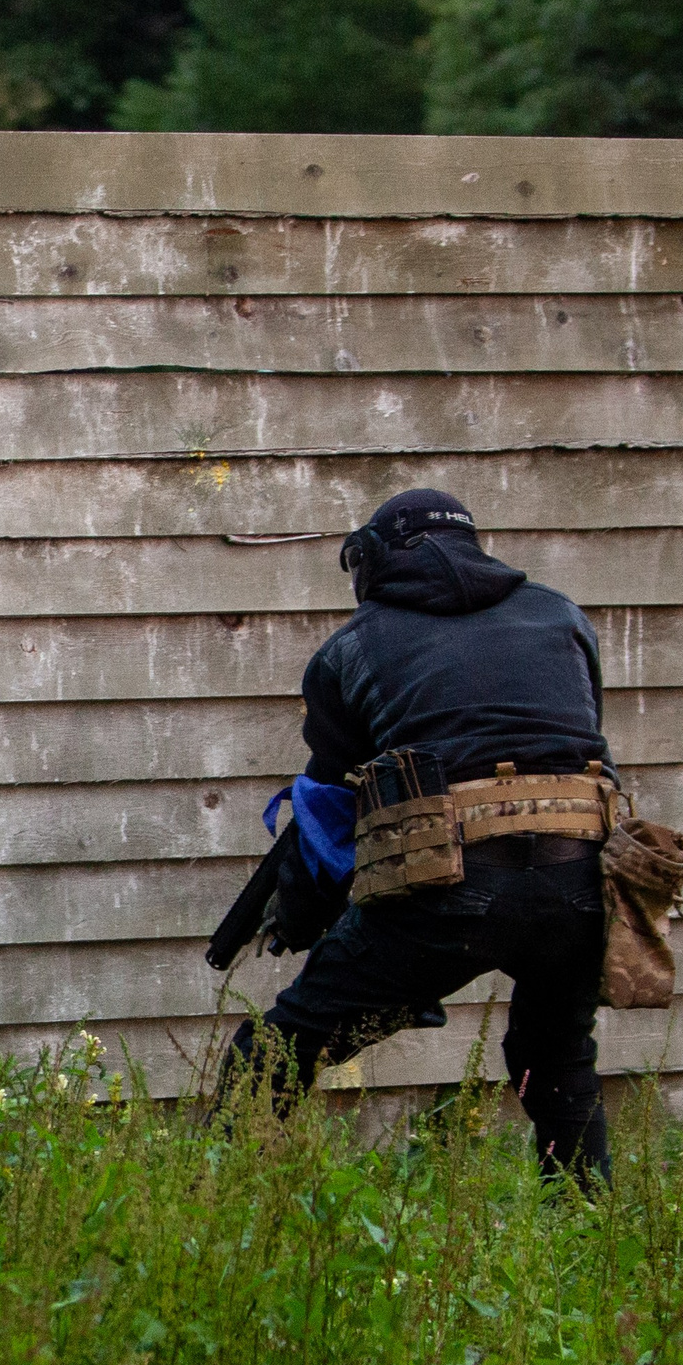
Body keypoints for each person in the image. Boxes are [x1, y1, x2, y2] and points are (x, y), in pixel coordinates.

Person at [220, 489, 616, 1183]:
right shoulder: (562, 616)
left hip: (448, 889)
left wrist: (305, 919)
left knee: (274, 1052)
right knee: (556, 1058)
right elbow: (578, 746)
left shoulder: (350, 648)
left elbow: (329, 810)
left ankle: (221, 1204)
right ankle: (588, 1218)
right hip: (581, 878)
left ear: (371, 560)